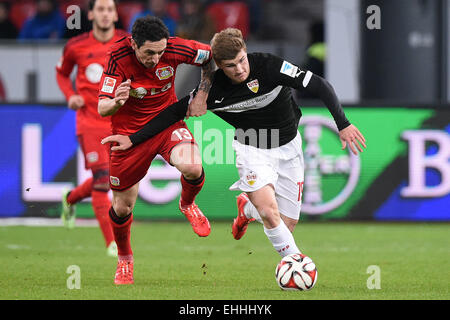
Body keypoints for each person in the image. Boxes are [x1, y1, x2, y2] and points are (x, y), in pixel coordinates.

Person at [102, 28, 366, 264]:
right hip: (253, 148)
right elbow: (171, 114)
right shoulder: (214, 91)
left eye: (242, 60)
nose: (239, 69)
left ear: (246, 52)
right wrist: (133, 139)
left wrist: (342, 123)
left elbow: (319, 84)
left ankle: (246, 208)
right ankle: (295, 263)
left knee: (287, 224)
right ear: (219, 66)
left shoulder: (271, 66)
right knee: (270, 212)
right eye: (230, 66)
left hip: (290, 147)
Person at [97, 16, 215, 285]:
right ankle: (125, 259)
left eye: (160, 52)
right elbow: (102, 107)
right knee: (123, 207)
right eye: (149, 52)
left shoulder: (175, 48)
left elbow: (210, 56)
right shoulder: (116, 56)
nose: (156, 58)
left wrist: (202, 95)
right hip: (128, 136)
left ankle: (187, 204)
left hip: (166, 123)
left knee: (193, 166)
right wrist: (116, 102)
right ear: (133, 44)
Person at [55, 0, 128, 257]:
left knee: (112, 179)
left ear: (116, 14)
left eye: (110, 9)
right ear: (91, 14)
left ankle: (70, 198)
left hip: (118, 120)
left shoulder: (127, 43)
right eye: (101, 9)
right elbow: (62, 73)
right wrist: (69, 95)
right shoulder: (76, 46)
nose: (106, 14)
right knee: (101, 180)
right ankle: (112, 243)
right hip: (89, 120)